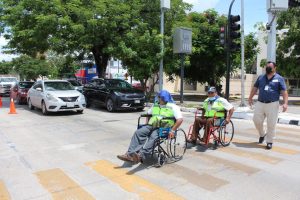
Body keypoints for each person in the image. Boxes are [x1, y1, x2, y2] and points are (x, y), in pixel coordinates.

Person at [117, 90, 183, 164]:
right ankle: (129, 154)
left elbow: (180, 119)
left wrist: (173, 130)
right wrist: (146, 124)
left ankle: (141, 156)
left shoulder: (173, 107)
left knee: (153, 137)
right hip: (152, 125)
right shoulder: (155, 105)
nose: (158, 98)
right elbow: (148, 114)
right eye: (159, 97)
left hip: (164, 128)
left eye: (160, 97)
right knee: (138, 132)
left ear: (165, 98)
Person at [248, 61, 288, 150]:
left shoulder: (279, 78)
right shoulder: (261, 77)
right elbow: (255, 88)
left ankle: (269, 141)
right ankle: (262, 134)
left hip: (273, 104)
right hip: (260, 103)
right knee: (256, 120)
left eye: (270, 67)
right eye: (267, 67)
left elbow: (284, 91)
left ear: (274, 68)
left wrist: (285, 103)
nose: (268, 68)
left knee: (271, 124)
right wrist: (250, 98)